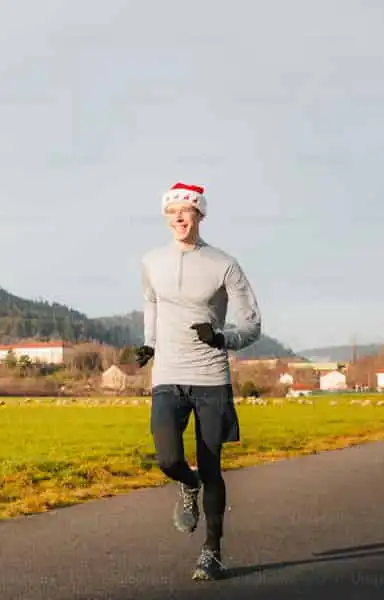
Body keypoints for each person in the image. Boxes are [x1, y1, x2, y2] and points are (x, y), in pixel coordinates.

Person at [135, 181, 262, 581]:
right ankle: (186, 485)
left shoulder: (224, 264)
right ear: (165, 217)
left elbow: (252, 324)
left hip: (210, 377)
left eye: (186, 211)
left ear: (199, 215)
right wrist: (150, 343)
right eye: (172, 211)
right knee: (168, 458)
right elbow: (151, 303)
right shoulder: (151, 261)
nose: (179, 217)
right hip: (168, 375)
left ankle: (212, 551)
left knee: (212, 468)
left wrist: (223, 338)